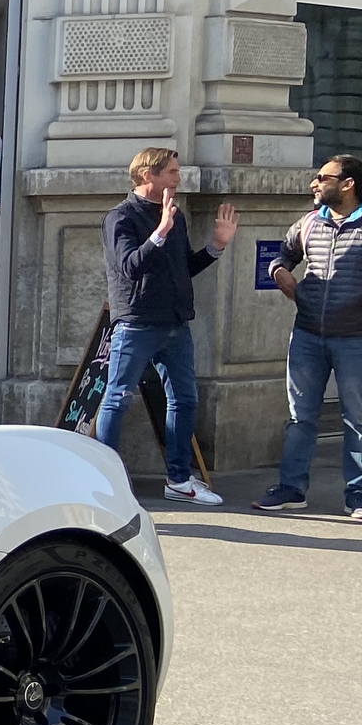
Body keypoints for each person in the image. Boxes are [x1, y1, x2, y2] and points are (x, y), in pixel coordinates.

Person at [99, 147, 236, 506]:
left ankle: (179, 479)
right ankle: (102, 479)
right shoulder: (120, 218)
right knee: (117, 399)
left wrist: (216, 247)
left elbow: (182, 269)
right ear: (149, 176)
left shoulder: (174, 215)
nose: (178, 179)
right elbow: (129, 266)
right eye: (172, 173)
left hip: (176, 322)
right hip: (138, 322)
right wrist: (159, 233)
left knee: (185, 399)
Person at [260, 154, 362, 521]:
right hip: (306, 334)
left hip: (359, 338)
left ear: (347, 184)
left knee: (359, 419)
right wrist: (281, 273)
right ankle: (291, 488)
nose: (314, 183)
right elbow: (283, 256)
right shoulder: (308, 223)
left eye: (322, 177)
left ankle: (358, 497)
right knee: (300, 417)